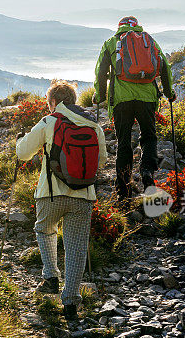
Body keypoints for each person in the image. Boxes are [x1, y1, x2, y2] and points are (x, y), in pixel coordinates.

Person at [16, 80, 107, 321]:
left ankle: (50, 277)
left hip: (51, 194)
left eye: (49, 103)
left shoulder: (50, 121)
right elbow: (103, 161)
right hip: (84, 196)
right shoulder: (93, 125)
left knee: (45, 229)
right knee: (76, 247)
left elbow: (23, 153)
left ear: (54, 102)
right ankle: (71, 302)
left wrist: (20, 140)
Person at [94, 16, 175, 203]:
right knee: (149, 136)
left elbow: (100, 71)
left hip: (122, 100)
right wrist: (169, 93)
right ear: (137, 25)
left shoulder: (112, 43)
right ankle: (147, 172)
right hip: (147, 98)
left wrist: (100, 97)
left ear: (119, 27)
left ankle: (123, 188)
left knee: (123, 141)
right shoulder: (149, 41)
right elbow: (165, 68)